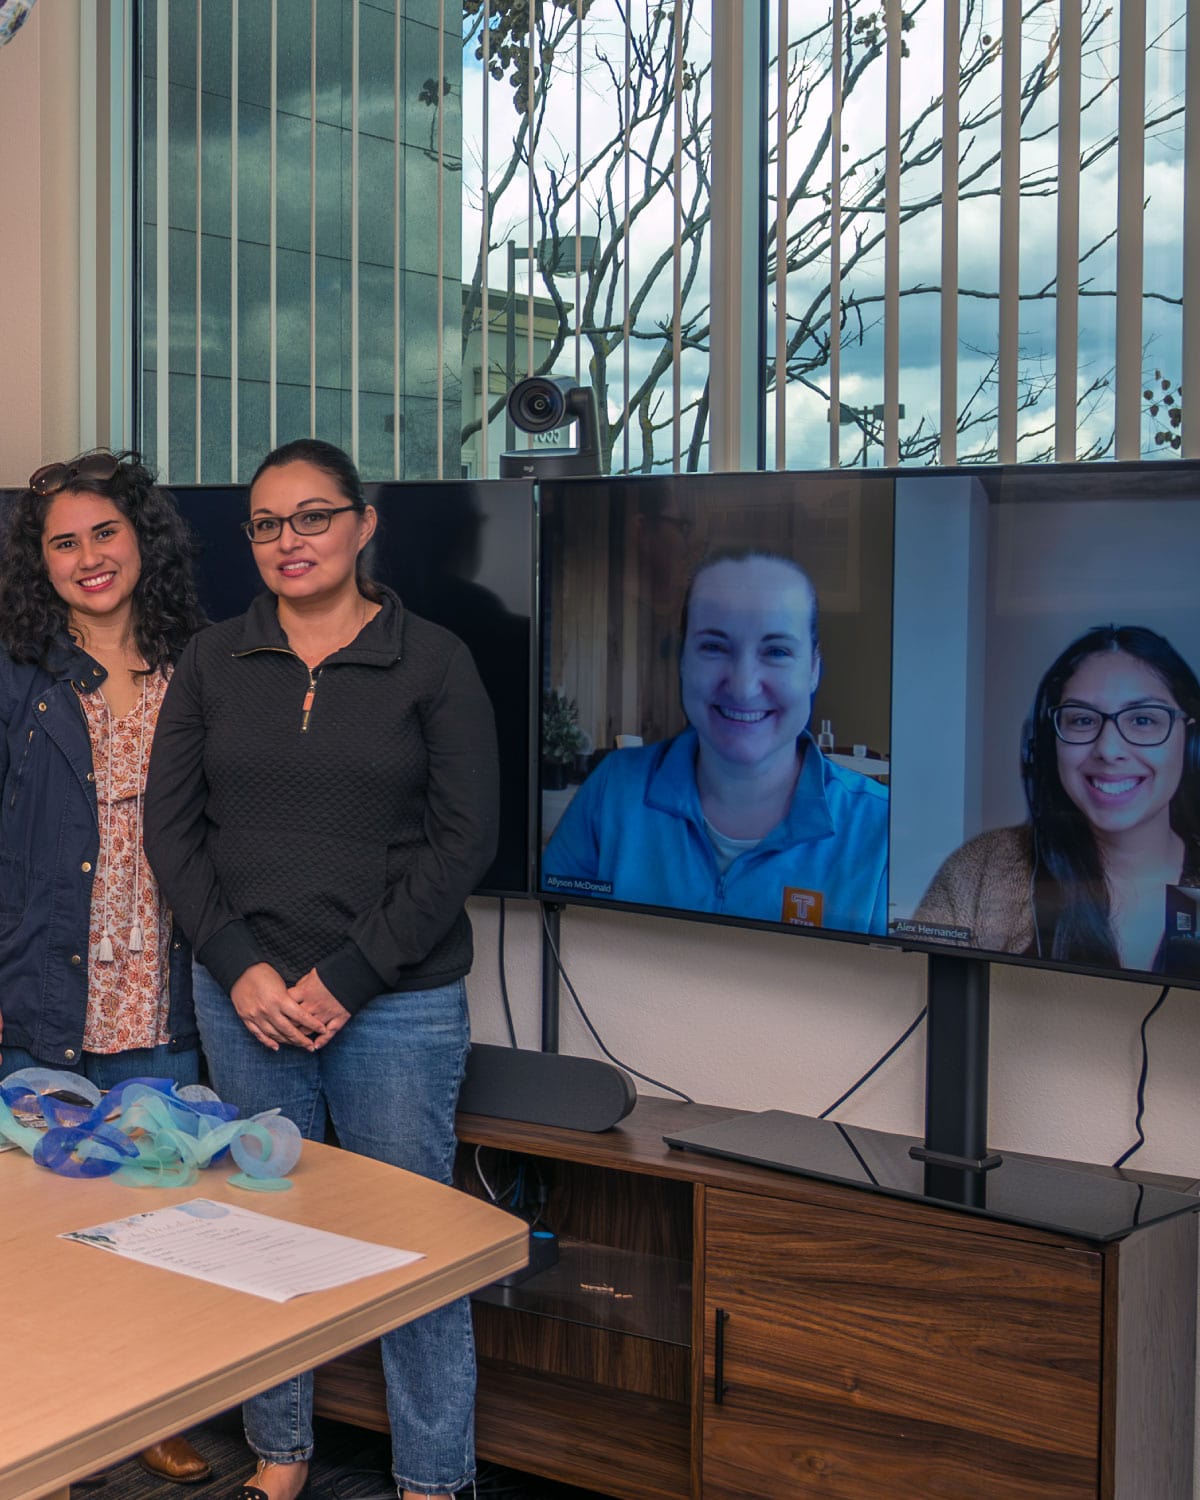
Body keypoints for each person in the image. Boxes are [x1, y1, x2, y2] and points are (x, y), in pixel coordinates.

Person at [143, 437, 499, 1500]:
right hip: (243, 998)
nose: (288, 541)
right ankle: (280, 1456)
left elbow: (462, 841)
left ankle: (434, 1476)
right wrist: (242, 968)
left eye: (311, 517)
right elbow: (175, 836)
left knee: (412, 1244)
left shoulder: (434, 661)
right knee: (261, 1235)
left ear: (362, 524)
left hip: (396, 1005)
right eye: (266, 524)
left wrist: (348, 977)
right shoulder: (214, 659)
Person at [0, 449, 213, 1485]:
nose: (89, 558)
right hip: (45, 978)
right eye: (63, 542)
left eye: (105, 533)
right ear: (38, 562)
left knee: (158, 1211)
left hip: (161, 985)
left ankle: (147, 1410)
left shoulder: (203, 661)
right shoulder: (17, 676)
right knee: (47, 1225)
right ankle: (53, 1430)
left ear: (144, 539)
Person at [542, 549, 889, 933]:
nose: (742, 687)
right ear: (683, 661)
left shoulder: (881, 831)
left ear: (812, 669)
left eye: (776, 651)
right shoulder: (612, 789)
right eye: (714, 646)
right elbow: (551, 936)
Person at [913, 624, 1200, 972]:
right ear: (1048, 746)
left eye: (1142, 719)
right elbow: (916, 991)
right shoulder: (980, 870)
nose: (1108, 750)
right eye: (1082, 720)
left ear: (1191, 742)